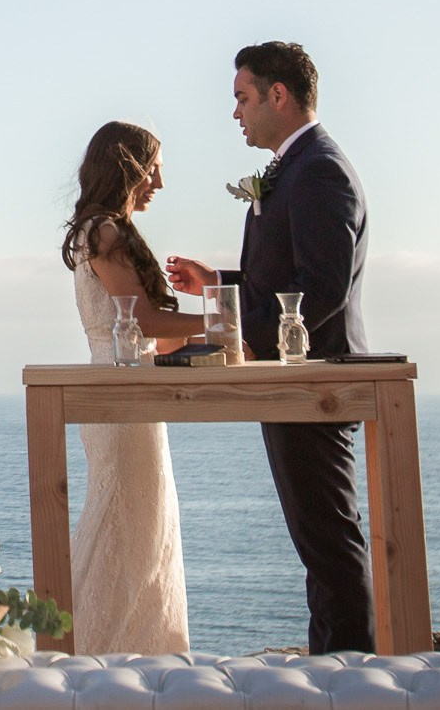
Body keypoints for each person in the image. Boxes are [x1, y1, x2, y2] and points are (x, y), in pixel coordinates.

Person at [168, 41, 374, 655]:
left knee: (330, 546)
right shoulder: (296, 167)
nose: (236, 113)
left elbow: (321, 291)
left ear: (277, 96)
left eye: (242, 98)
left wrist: (232, 334)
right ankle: (334, 666)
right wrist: (221, 286)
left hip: (313, 381)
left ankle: (351, 677)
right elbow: (285, 282)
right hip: (292, 378)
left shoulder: (319, 170)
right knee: (320, 545)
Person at [58, 120, 222, 654]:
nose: (159, 181)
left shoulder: (95, 229)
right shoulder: (106, 230)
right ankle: (100, 655)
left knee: (137, 529)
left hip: (123, 389)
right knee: (127, 532)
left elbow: (145, 333)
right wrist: (218, 322)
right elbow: (143, 322)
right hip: (122, 398)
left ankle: (127, 654)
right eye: (153, 166)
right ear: (126, 167)